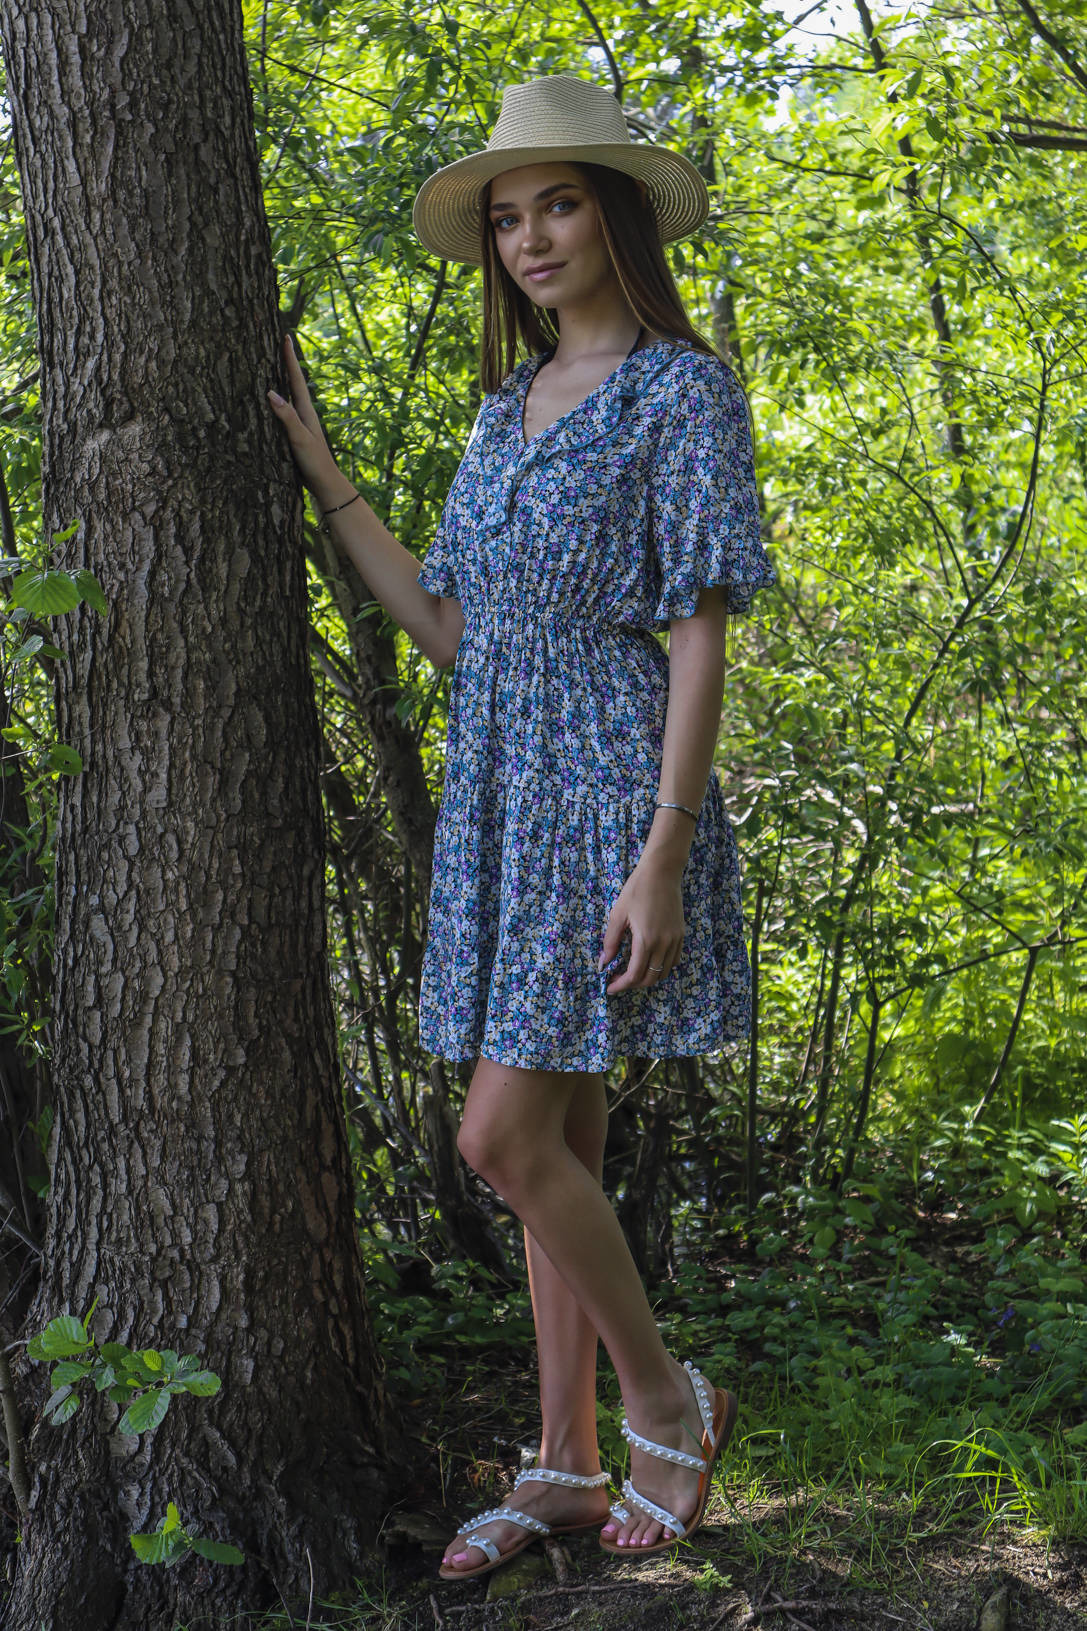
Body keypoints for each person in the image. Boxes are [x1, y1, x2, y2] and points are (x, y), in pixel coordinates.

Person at [267, 72, 776, 1581]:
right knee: (554, 1139)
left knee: (498, 1137)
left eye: (559, 205)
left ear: (614, 217)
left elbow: (699, 634)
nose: (532, 237)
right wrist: (326, 475)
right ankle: (561, 1461)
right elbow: (448, 628)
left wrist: (662, 852)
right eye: (507, 218)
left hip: (609, 795)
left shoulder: (679, 391)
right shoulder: (504, 414)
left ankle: (668, 1405)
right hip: (503, 797)